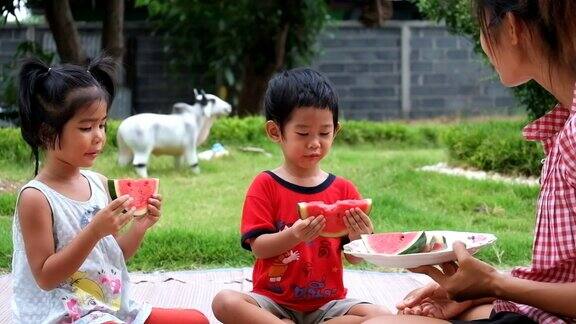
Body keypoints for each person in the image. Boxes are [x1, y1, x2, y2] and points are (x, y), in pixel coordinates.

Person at [365, 1, 576, 323]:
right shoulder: (565, 123)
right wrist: (486, 290)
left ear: (511, 27)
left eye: (482, 27)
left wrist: (497, 283)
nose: (481, 42)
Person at [12, 57, 209, 324]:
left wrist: (141, 226)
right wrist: (94, 231)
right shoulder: (36, 197)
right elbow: (45, 277)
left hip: (111, 307)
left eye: (102, 125)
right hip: (63, 314)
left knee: (197, 320)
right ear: (47, 133)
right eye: (86, 127)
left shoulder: (98, 183)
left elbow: (112, 256)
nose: (99, 137)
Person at [211, 68, 390, 323]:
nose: (315, 142)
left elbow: (354, 257)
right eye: (303, 133)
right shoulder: (265, 185)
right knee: (224, 301)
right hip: (272, 303)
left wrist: (359, 235)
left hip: (329, 305)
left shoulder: (344, 190)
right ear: (276, 132)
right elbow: (259, 248)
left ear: (336, 131)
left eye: (324, 133)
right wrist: (294, 235)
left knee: (381, 315)